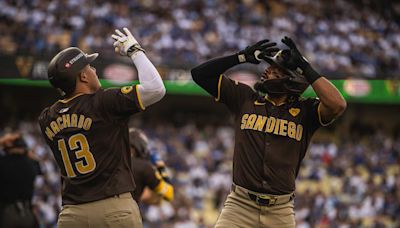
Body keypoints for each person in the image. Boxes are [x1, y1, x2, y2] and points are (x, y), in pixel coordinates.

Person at [191, 37, 346, 227]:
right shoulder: (245, 99)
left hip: (280, 211)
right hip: (240, 205)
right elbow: (199, 74)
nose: (267, 70)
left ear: (291, 79)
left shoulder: (307, 111)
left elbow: (337, 104)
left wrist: (306, 68)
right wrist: (239, 58)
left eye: (276, 70)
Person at [38, 27, 166, 228]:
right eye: (90, 67)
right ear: (82, 77)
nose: (94, 70)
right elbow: (156, 89)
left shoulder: (46, 118)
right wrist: (135, 51)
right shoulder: (104, 102)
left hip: (71, 214)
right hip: (113, 210)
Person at [0, 133, 41, 228]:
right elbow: (37, 163)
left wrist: (2, 142)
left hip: (6, 214)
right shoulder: (32, 164)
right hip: (27, 214)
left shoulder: (2, 163)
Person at [128, 128, 174, 204]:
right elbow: (169, 194)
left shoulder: (109, 160)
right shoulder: (144, 166)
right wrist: (160, 166)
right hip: (126, 212)